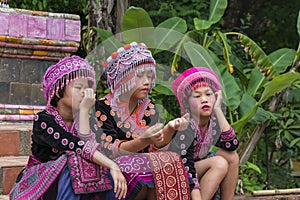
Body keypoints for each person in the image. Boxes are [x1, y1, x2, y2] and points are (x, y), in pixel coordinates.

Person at [9, 55, 127, 200]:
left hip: (76, 185)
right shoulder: (44, 120)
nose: (85, 92)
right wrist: (112, 165)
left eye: (87, 88)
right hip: (40, 184)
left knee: (94, 160)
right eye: (78, 88)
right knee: (71, 158)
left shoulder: (86, 120)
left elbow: (91, 148)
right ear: (58, 91)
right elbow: (76, 146)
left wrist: (84, 113)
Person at [95, 42, 192, 200]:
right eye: (140, 75)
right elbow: (110, 151)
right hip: (111, 169)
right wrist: (143, 140)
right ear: (122, 76)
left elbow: (155, 149)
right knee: (133, 166)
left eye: (149, 76)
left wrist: (170, 129)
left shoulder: (149, 108)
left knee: (169, 160)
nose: (147, 81)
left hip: (144, 166)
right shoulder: (102, 108)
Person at [171, 67, 240, 200]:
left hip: (198, 168)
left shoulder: (213, 123)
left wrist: (218, 109)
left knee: (232, 157)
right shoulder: (186, 126)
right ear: (187, 103)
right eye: (197, 96)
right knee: (219, 163)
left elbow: (232, 145)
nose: (204, 99)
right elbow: (186, 166)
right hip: (178, 172)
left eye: (208, 94)